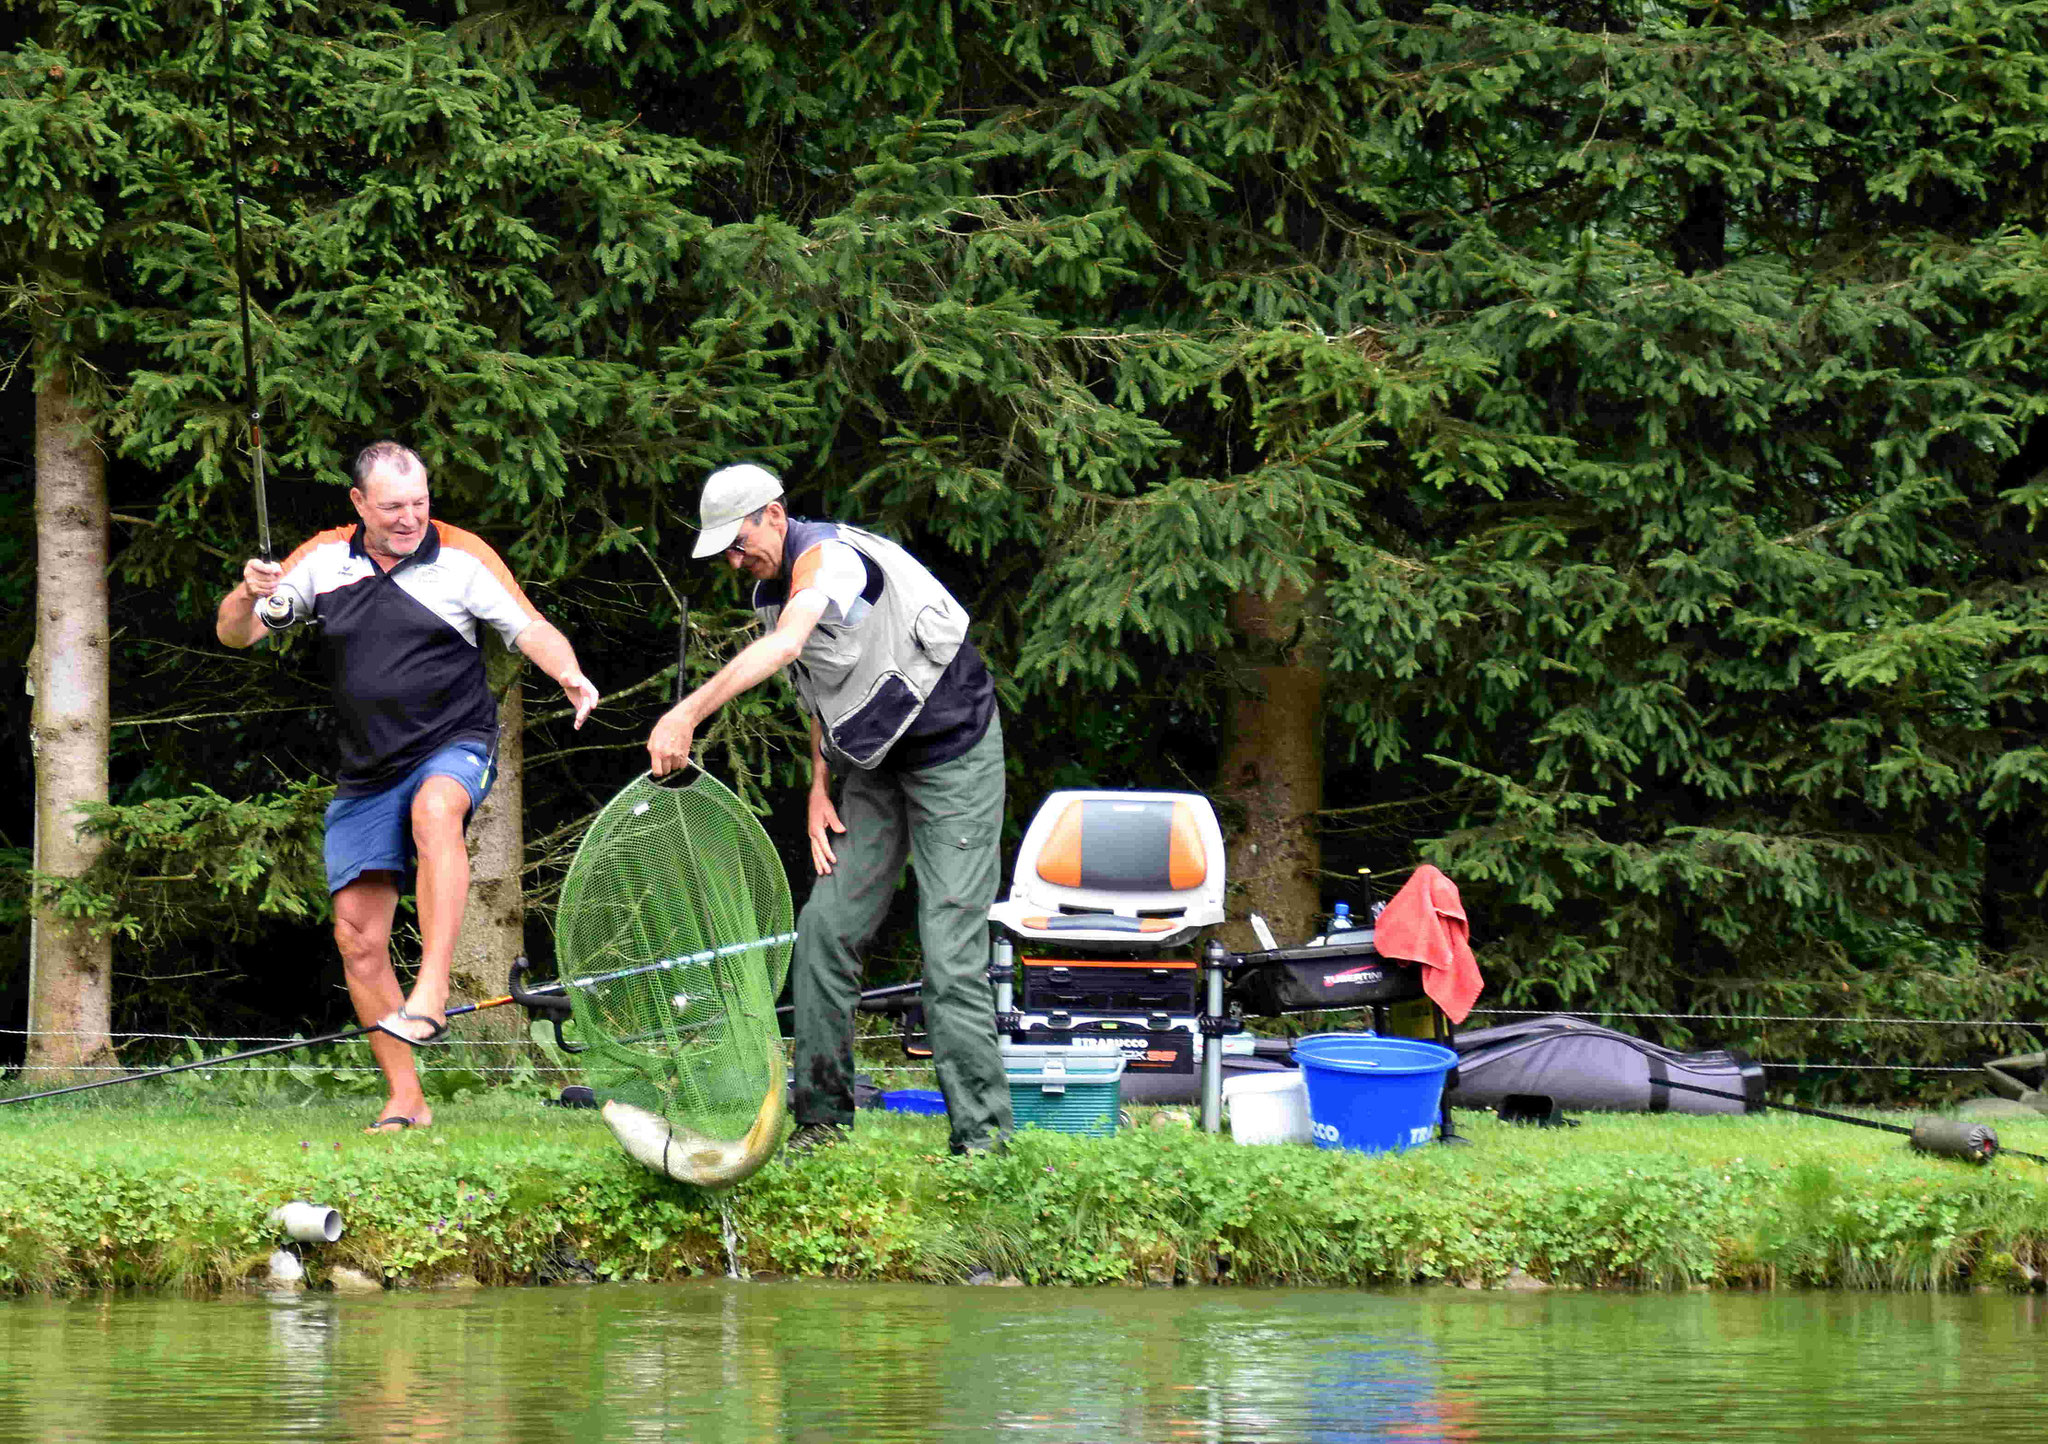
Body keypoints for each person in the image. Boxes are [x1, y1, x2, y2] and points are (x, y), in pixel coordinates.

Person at [216, 441, 599, 1132]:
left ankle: (431, 987)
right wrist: (249, 593)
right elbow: (238, 635)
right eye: (393, 506)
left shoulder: (461, 556)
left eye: (419, 503)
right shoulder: (324, 559)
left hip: (454, 743)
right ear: (359, 503)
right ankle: (406, 1099)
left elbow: (530, 627)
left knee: (436, 810)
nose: (409, 518)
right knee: (357, 937)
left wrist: (569, 673)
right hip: (367, 769)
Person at [647, 463, 1011, 1156]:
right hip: (872, 768)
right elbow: (814, 682)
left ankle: (984, 1144)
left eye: (738, 540)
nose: (732, 559)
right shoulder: (767, 586)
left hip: (954, 755)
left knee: (949, 954)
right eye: (720, 548)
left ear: (775, 516)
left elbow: (788, 641)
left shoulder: (833, 562)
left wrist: (687, 712)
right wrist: (820, 784)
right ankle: (822, 1126)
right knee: (823, 932)